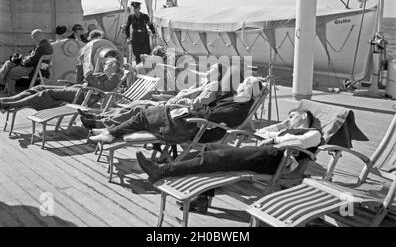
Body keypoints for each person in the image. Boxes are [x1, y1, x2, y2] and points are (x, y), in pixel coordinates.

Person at [135, 110, 321, 211]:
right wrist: (281, 128)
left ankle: (162, 170)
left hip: (276, 160)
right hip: (264, 155)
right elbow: (260, 134)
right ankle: (202, 198)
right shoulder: (285, 130)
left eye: (292, 116)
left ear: (304, 116)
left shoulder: (314, 133)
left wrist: (276, 139)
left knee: (217, 157)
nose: (288, 120)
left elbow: (300, 141)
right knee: (211, 149)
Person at [88, 76, 263, 145]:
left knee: (143, 115)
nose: (241, 86)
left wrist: (190, 108)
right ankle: (110, 131)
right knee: (146, 114)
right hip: (191, 121)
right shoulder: (235, 101)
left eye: (245, 86)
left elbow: (208, 114)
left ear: (250, 93)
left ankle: (110, 133)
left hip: (196, 129)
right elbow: (208, 110)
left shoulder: (237, 108)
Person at [78, 63, 230, 129]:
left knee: (137, 109)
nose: (208, 70)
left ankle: (100, 123)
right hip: (170, 104)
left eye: (212, 69)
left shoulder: (212, 86)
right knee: (135, 104)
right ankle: (100, 119)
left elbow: (197, 104)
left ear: (218, 74)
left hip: (174, 110)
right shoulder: (203, 83)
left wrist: (175, 101)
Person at [0, 58, 122, 112]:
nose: (104, 66)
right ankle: (8, 99)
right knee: (39, 87)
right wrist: (81, 65)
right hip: (78, 89)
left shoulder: (114, 77)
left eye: (106, 64)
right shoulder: (103, 74)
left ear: (112, 66)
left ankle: (10, 104)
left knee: (46, 93)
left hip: (85, 96)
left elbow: (102, 88)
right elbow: (82, 81)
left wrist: (89, 75)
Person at [0, 29, 53, 96]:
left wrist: (21, 62)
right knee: (8, 63)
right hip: (36, 67)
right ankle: (1, 79)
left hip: (30, 68)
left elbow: (31, 62)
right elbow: (34, 58)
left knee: (10, 74)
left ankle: (12, 95)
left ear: (37, 36)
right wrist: (25, 59)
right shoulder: (47, 45)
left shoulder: (41, 47)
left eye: (33, 37)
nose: (33, 39)